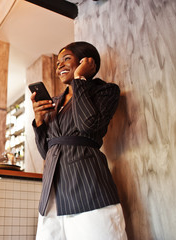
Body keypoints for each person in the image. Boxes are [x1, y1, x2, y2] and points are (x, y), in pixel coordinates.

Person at [31, 41, 127, 240]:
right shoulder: (54, 103)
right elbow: (46, 153)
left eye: (67, 59)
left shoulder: (105, 91)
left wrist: (80, 80)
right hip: (53, 194)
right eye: (58, 63)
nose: (60, 66)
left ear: (87, 61)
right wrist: (39, 122)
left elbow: (88, 126)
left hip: (87, 187)